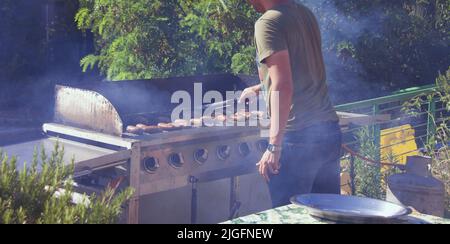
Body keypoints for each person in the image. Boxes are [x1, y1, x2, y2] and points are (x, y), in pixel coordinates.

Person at [240, 0, 343, 208]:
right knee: (327, 215)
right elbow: (301, 71)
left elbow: (283, 84)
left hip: (298, 139)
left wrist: (274, 145)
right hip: (328, 132)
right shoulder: (304, 14)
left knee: (289, 216)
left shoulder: (268, 22)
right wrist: (260, 88)